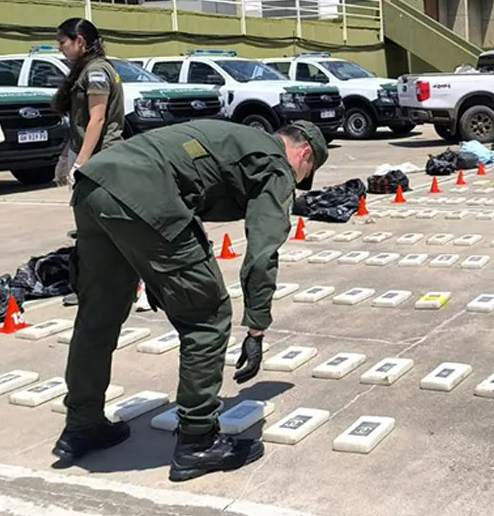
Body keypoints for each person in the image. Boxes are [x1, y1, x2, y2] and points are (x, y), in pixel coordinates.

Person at [53, 120, 328, 482]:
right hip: (144, 193)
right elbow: (262, 253)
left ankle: (82, 426)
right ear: (304, 153)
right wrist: (257, 326)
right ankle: (198, 442)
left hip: (95, 184)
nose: (297, 181)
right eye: (304, 173)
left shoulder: (234, 137)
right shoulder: (276, 163)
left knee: (98, 316)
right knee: (207, 315)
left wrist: (159, 275)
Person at [51, 18, 126, 307]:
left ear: (80, 41)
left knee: (96, 230)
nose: (61, 48)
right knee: (96, 229)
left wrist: (81, 163)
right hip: (93, 156)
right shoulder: (89, 69)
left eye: (63, 41)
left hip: (101, 160)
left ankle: (100, 289)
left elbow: (97, 119)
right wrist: (66, 156)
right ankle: (101, 286)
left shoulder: (96, 71)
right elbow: (81, 123)